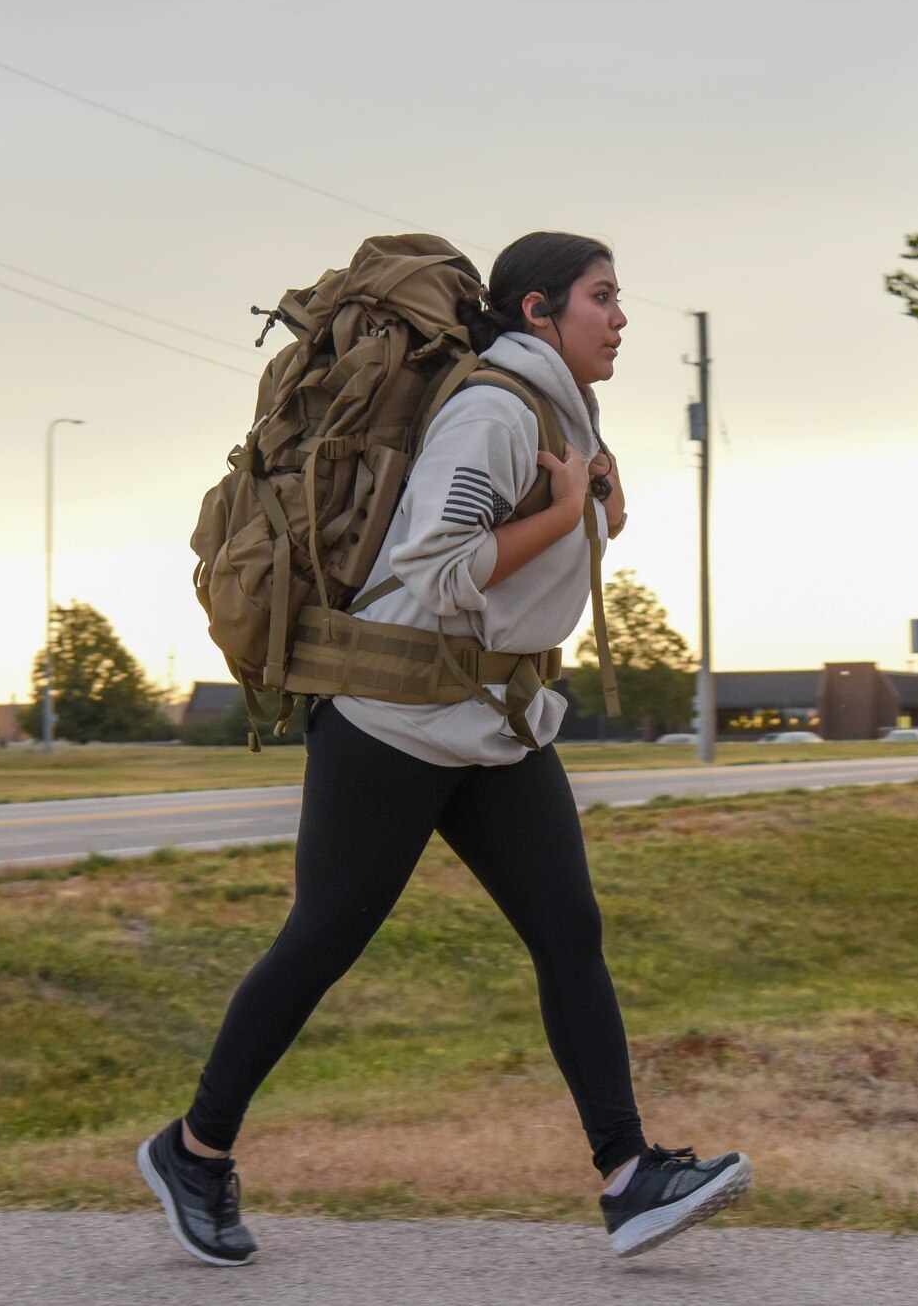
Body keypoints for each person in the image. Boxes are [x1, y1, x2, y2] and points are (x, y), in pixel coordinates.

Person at [137, 231, 751, 1267]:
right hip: (393, 721)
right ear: (536, 312)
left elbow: (510, 574)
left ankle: (628, 1175)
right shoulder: (492, 412)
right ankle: (192, 1150)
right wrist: (565, 513)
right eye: (602, 296)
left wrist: (592, 513)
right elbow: (437, 570)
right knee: (325, 937)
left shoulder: (555, 408)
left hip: (488, 724)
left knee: (568, 929)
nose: (620, 316)